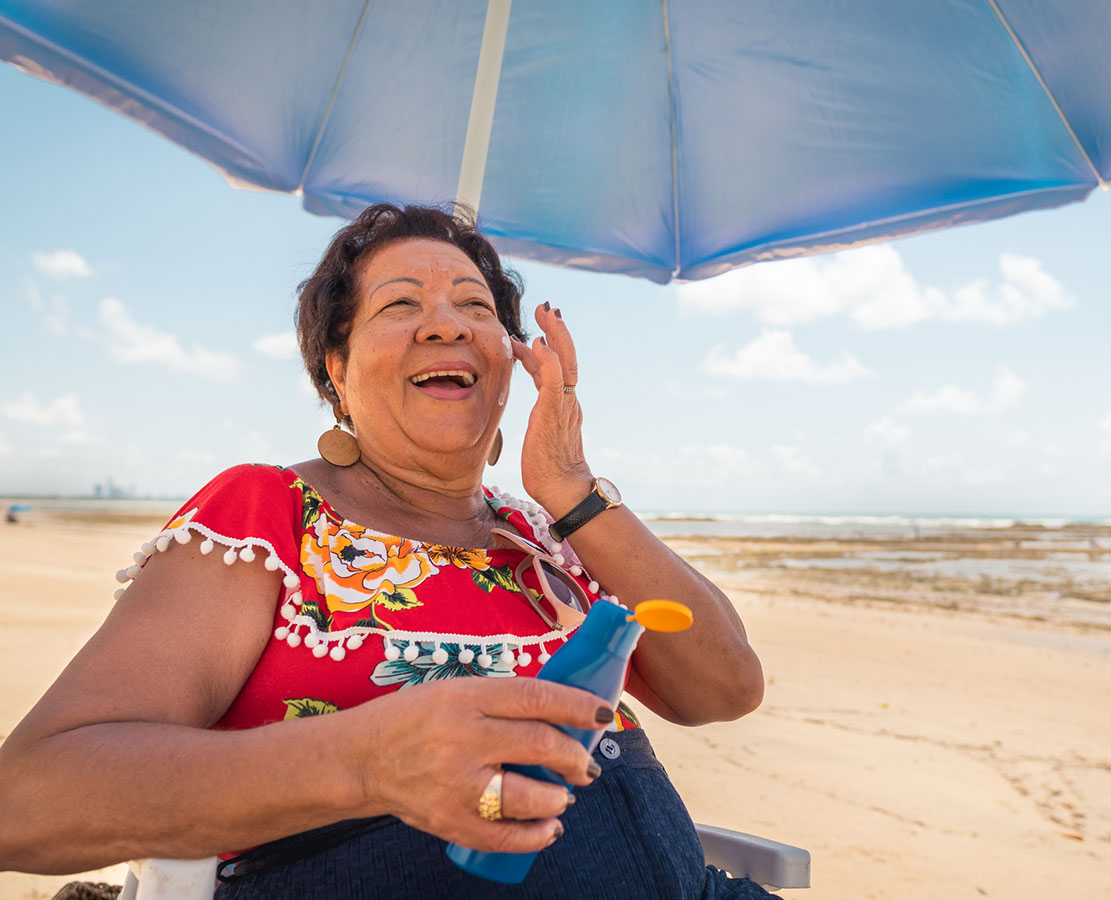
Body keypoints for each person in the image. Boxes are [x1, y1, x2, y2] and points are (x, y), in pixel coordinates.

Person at [0, 204, 768, 898]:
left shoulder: (546, 536)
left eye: (475, 307)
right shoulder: (270, 514)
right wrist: (365, 763)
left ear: (510, 360)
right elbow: (30, 800)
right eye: (400, 305)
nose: (446, 325)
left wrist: (572, 492)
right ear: (336, 372)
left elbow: (724, 687)